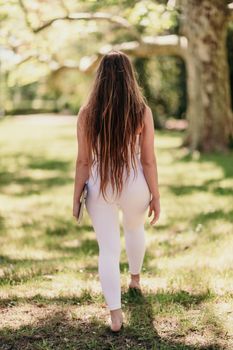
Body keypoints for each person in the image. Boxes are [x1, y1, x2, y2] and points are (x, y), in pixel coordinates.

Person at [72, 50, 160, 332]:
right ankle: (134, 279)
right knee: (135, 230)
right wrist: (155, 195)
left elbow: (84, 161)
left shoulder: (87, 114)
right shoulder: (141, 112)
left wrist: (76, 197)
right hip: (135, 184)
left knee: (108, 249)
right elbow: (148, 159)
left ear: (99, 78)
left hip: (101, 186)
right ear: (130, 77)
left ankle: (115, 316)